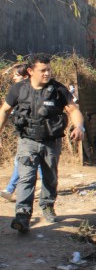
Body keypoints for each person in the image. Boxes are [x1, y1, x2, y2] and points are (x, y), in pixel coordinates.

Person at [0, 53, 85, 233]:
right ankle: (22, 215)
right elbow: (5, 110)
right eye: (43, 70)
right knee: (26, 177)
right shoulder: (19, 89)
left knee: (50, 176)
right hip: (27, 141)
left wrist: (79, 127)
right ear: (31, 71)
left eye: (49, 70)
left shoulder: (58, 90)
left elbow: (73, 110)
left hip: (51, 143)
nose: (47, 73)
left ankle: (47, 204)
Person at [1, 63, 43, 201]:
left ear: (26, 76)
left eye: (16, 75)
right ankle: (11, 189)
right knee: (25, 161)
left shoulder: (34, 92)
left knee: (27, 162)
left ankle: (11, 189)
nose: (13, 78)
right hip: (25, 134)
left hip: (35, 135)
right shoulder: (18, 91)